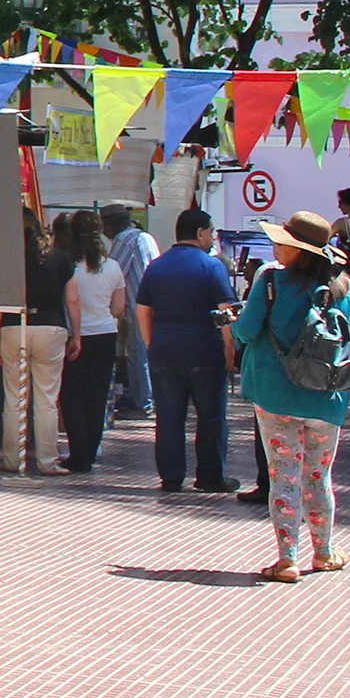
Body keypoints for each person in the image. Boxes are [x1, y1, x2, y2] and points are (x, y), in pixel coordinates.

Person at [230, 210, 350, 580]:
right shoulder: (346, 290)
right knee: (318, 477)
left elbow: (247, 332)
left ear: (297, 250)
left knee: (282, 477)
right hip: (326, 399)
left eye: (282, 242)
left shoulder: (269, 281)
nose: (275, 246)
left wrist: (234, 321)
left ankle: (287, 559)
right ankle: (324, 552)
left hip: (274, 396)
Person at [134, 208, 238, 492]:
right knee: (211, 417)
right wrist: (230, 347)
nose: (214, 238)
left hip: (164, 351)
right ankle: (210, 476)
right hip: (204, 351)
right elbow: (226, 310)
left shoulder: (156, 266)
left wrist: (150, 342)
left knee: (168, 417)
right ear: (201, 233)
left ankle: (170, 476)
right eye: (212, 232)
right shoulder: (212, 266)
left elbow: (142, 309)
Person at [0, 207, 70, 476]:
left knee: (14, 398)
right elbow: (71, 299)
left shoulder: (7, 257)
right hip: (51, 328)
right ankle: (47, 460)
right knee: (46, 399)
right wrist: (75, 331)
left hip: (13, 326)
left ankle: (12, 459)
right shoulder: (59, 256)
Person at [58, 210, 128, 473]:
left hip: (74, 335)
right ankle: (91, 449)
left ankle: (78, 453)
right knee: (97, 396)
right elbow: (119, 308)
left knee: (72, 395)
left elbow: (69, 300)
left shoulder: (68, 265)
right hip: (105, 334)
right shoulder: (113, 267)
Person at [102, 203, 158, 420]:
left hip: (138, 307)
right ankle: (149, 400)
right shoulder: (146, 237)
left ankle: (142, 403)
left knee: (137, 356)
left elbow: (111, 275)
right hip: (154, 304)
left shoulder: (124, 241)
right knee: (148, 355)